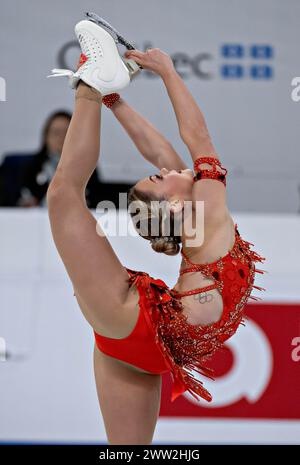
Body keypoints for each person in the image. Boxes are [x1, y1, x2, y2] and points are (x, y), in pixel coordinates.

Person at [47, 19, 266, 445]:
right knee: (63, 197)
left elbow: (172, 146)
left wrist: (128, 94)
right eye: (158, 177)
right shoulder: (205, 218)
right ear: (176, 204)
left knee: (63, 196)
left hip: (143, 334)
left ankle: (93, 86)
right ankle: (90, 87)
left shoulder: (201, 222)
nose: (166, 168)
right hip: (149, 348)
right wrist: (158, 75)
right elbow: (188, 140)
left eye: (157, 175)